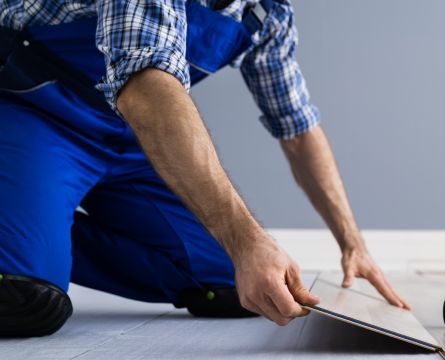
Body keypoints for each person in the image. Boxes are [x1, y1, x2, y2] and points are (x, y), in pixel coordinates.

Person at [0, 0, 410, 337]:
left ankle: (32, 217)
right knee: (27, 299)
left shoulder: (267, 13)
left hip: (132, 134)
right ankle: (29, 226)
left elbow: (298, 128)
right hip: (37, 111)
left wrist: (353, 244)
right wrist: (249, 242)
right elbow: (144, 85)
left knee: (233, 286)